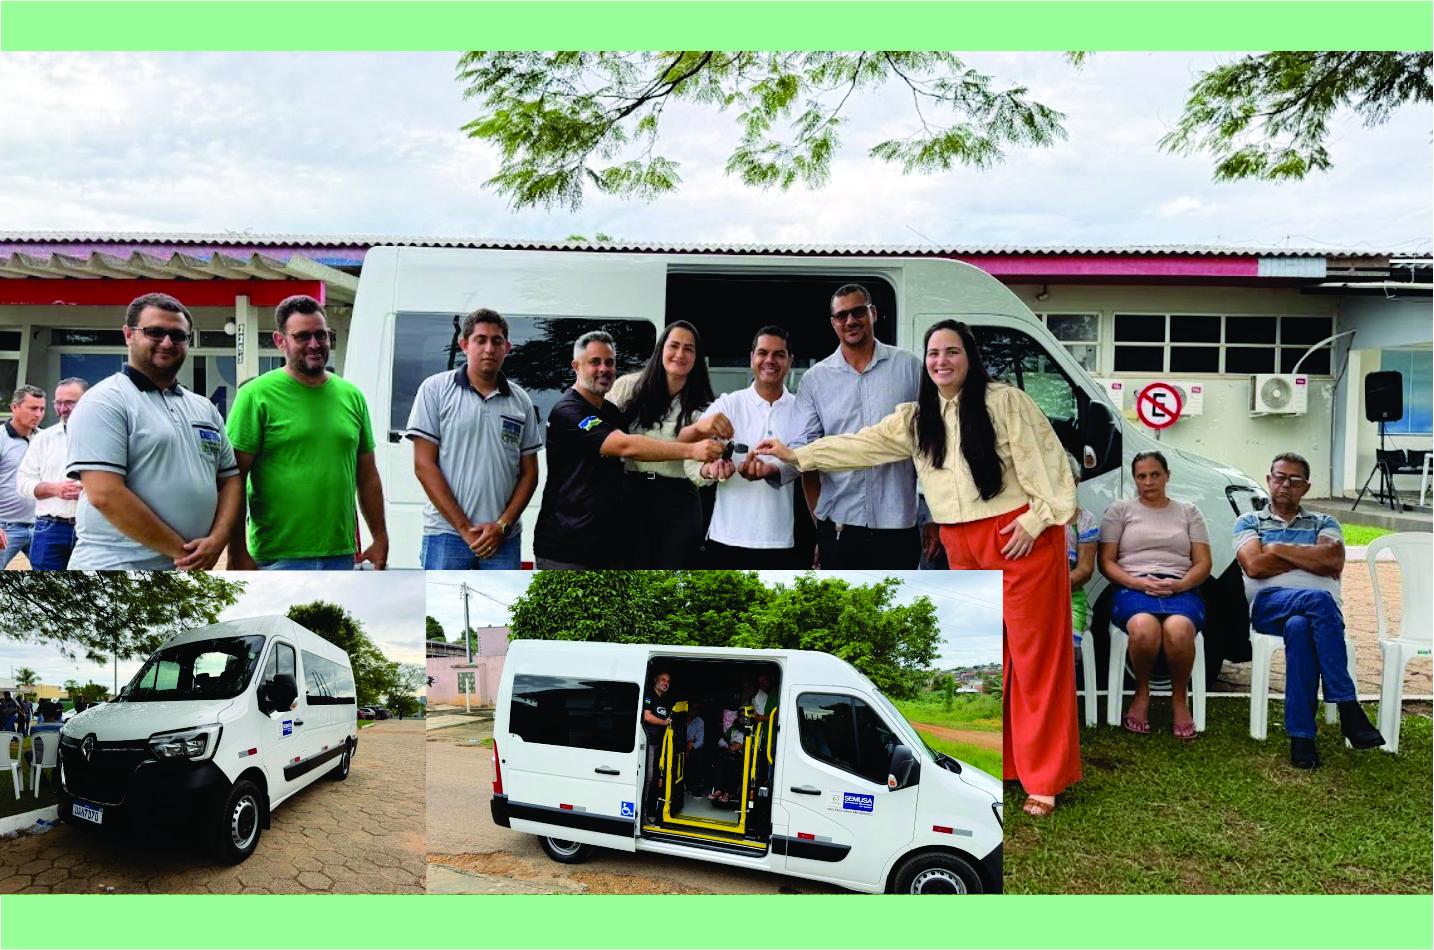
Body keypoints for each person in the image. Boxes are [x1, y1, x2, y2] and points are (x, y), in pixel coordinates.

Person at [757, 319, 1078, 817]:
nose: (941, 361)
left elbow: (1049, 464)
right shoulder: (916, 418)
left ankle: (1046, 778)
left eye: (952, 351)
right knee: (1000, 656)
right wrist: (798, 455)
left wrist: (1036, 521)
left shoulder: (1004, 401)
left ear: (969, 357)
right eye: (933, 353)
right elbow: (859, 445)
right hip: (959, 541)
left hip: (1017, 535)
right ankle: (1013, 763)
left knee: (1037, 658)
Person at [67, 293, 241, 570]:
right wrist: (184, 553)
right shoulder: (105, 401)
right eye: (155, 332)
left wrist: (218, 540)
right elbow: (105, 493)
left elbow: (230, 481)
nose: (168, 342)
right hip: (117, 566)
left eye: (178, 335)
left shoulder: (204, 407)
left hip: (186, 568)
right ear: (128, 335)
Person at [1235, 452, 1384, 768]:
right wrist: (1308, 558)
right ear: (1269, 480)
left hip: (1314, 617)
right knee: (1318, 600)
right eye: (1279, 477)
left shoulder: (1324, 522)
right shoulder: (1249, 521)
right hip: (1269, 605)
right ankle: (1347, 705)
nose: (1285, 484)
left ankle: (1302, 738)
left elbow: (1333, 560)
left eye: (1294, 479)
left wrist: (1276, 549)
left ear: (1306, 487)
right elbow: (1254, 565)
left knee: (1300, 628)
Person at [533, 331, 722, 570]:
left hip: (608, 546)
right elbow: (626, 445)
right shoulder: (568, 411)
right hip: (566, 548)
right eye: (595, 362)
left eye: (609, 362)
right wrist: (691, 450)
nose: (604, 369)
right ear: (576, 366)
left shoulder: (611, 412)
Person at [226, 294, 388, 570]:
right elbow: (233, 480)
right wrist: (237, 552)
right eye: (302, 336)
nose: (314, 344)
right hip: (277, 556)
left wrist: (380, 537)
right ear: (280, 341)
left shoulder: (352, 396)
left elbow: (367, 474)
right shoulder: (255, 396)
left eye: (321, 335)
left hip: (341, 554)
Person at [788, 283, 923, 568]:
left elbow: (933, 446)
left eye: (858, 312)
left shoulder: (910, 368)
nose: (850, 320)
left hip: (898, 524)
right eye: (842, 315)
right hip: (840, 525)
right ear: (833, 323)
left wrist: (933, 517)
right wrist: (820, 525)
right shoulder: (815, 380)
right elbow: (806, 459)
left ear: (872, 313)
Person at [406, 308, 542, 569]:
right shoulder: (434, 390)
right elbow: (424, 465)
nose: (489, 349)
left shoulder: (520, 400)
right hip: (447, 535)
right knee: (444, 596)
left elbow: (530, 473)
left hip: (503, 540)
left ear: (507, 348)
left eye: (497, 341)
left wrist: (502, 526)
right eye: (481, 340)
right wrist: (464, 528)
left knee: (502, 597)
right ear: (464, 345)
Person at [1098, 450, 1211, 740]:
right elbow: (1106, 562)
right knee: (1144, 629)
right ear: (1134, 479)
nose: (1148, 482)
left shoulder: (1188, 512)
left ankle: (1179, 699)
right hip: (1132, 586)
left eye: (1155, 475)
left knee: (1179, 630)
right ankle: (1141, 693)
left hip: (1180, 587)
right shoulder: (1120, 511)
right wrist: (1136, 583)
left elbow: (1203, 563)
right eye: (1142, 476)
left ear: (1167, 476)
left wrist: (1180, 585)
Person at [684, 326, 803, 568]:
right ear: (752, 358)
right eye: (763, 353)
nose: (769, 360)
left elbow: (808, 465)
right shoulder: (728, 404)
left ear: (790, 361)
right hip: (725, 537)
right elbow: (690, 453)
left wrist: (772, 470)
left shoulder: (802, 410)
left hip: (782, 540)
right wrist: (711, 469)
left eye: (779, 354)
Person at [608, 321, 723, 568]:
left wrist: (710, 470)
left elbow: (696, 466)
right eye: (674, 346)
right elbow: (606, 436)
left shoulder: (704, 407)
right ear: (661, 349)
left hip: (678, 502)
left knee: (669, 579)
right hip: (630, 494)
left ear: (696, 358)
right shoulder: (627, 387)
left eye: (689, 349)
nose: (680, 354)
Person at [15, 378, 88, 570]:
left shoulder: (107, 436)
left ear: (87, 400)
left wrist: (89, 492)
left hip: (93, 528)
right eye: (58, 403)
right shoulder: (42, 439)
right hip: (49, 529)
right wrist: (54, 489)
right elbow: (23, 482)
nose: (63, 409)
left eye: (70, 402)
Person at [1, 385, 46, 568]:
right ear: (14, 407)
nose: (38, 414)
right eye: (33, 408)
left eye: (42, 409)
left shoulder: (45, 439)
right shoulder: (1, 438)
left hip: (41, 527)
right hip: (5, 528)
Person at [1066, 453, 1099, 659]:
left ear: (1076, 482)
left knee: (1065, 645)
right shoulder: (1030, 519)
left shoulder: (1085, 521)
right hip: (1033, 595)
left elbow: (1085, 570)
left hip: (1070, 596)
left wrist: (1052, 588)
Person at [641, 670, 675, 820]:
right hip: (648, 742)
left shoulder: (665, 700)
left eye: (668, 681)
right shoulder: (649, 695)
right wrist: (665, 722)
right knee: (648, 777)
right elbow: (647, 717)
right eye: (663, 679)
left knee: (656, 778)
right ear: (655, 680)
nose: (665, 683)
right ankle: (642, 811)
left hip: (661, 744)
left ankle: (650, 811)